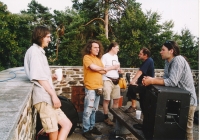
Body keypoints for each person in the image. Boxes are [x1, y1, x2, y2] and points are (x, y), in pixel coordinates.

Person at [142, 41, 197, 140]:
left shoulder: (178, 60)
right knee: (175, 128)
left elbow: (172, 82)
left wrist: (152, 81)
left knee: (187, 131)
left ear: (171, 51)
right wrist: (149, 79)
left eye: (163, 50)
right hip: (178, 100)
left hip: (188, 101)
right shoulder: (167, 61)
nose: (160, 52)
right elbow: (165, 79)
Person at [24, 26, 72, 140]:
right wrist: (54, 96)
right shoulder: (35, 52)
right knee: (53, 132)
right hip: (44, 99)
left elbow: (39, 74)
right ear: (40, 36)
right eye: (48, 37)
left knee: (67, 124)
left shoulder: (39, 52)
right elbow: (38, 78)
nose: (50, 40)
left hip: (47, 98)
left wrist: (51, 77)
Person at [82, 40, 106, 140]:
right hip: (90, 88)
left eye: (98, 47)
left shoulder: (98, 59)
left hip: (98, 88)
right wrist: (97, 69)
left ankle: (91, 127)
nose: (97, 49)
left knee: (94, 110)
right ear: (90, 48)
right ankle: (85, 130)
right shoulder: (87, 57)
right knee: (88, 110)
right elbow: (93, 68)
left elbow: (103, 71)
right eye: (95, 47)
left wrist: (98, 69)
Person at [125, 47, 154, 113]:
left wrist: (133, 81)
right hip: (142, 84)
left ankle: (134, 106)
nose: (139, 55)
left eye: (140, 54)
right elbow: (141, 73)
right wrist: (136, 81)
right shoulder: (145, 61)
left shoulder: (149, 60)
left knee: (131, 87)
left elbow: (140, 72)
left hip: (147, 85)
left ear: (145, 55)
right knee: (142, 103)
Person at [101, 42, 123, 126]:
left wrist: (119, 70)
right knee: (106, 100)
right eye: (117, 48)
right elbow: (102, 69)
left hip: (116, 80)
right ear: (112, 48)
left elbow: (117, 67)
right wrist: (113, 68)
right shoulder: (105, 56)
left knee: (116, 100)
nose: (118, 50)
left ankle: (115, 117)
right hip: (107, 80)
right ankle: (106, 118)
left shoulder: (116, 56)